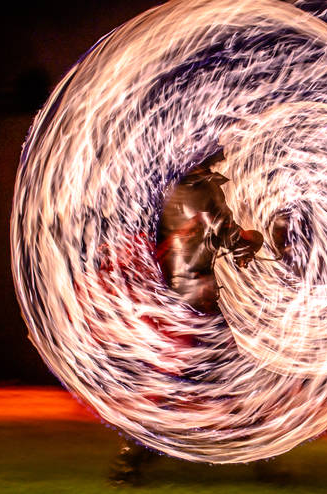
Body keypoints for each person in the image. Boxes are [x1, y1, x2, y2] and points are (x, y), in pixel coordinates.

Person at [108, 149, 264, 486]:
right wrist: (253, 240)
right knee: (228, 377)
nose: (224, 148)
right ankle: (263, 455)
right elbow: (226, 235)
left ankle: (132, 459)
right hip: (198, 300)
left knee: (183, 381)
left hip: (178, 300)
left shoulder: (170, 189)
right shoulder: (203, 189)